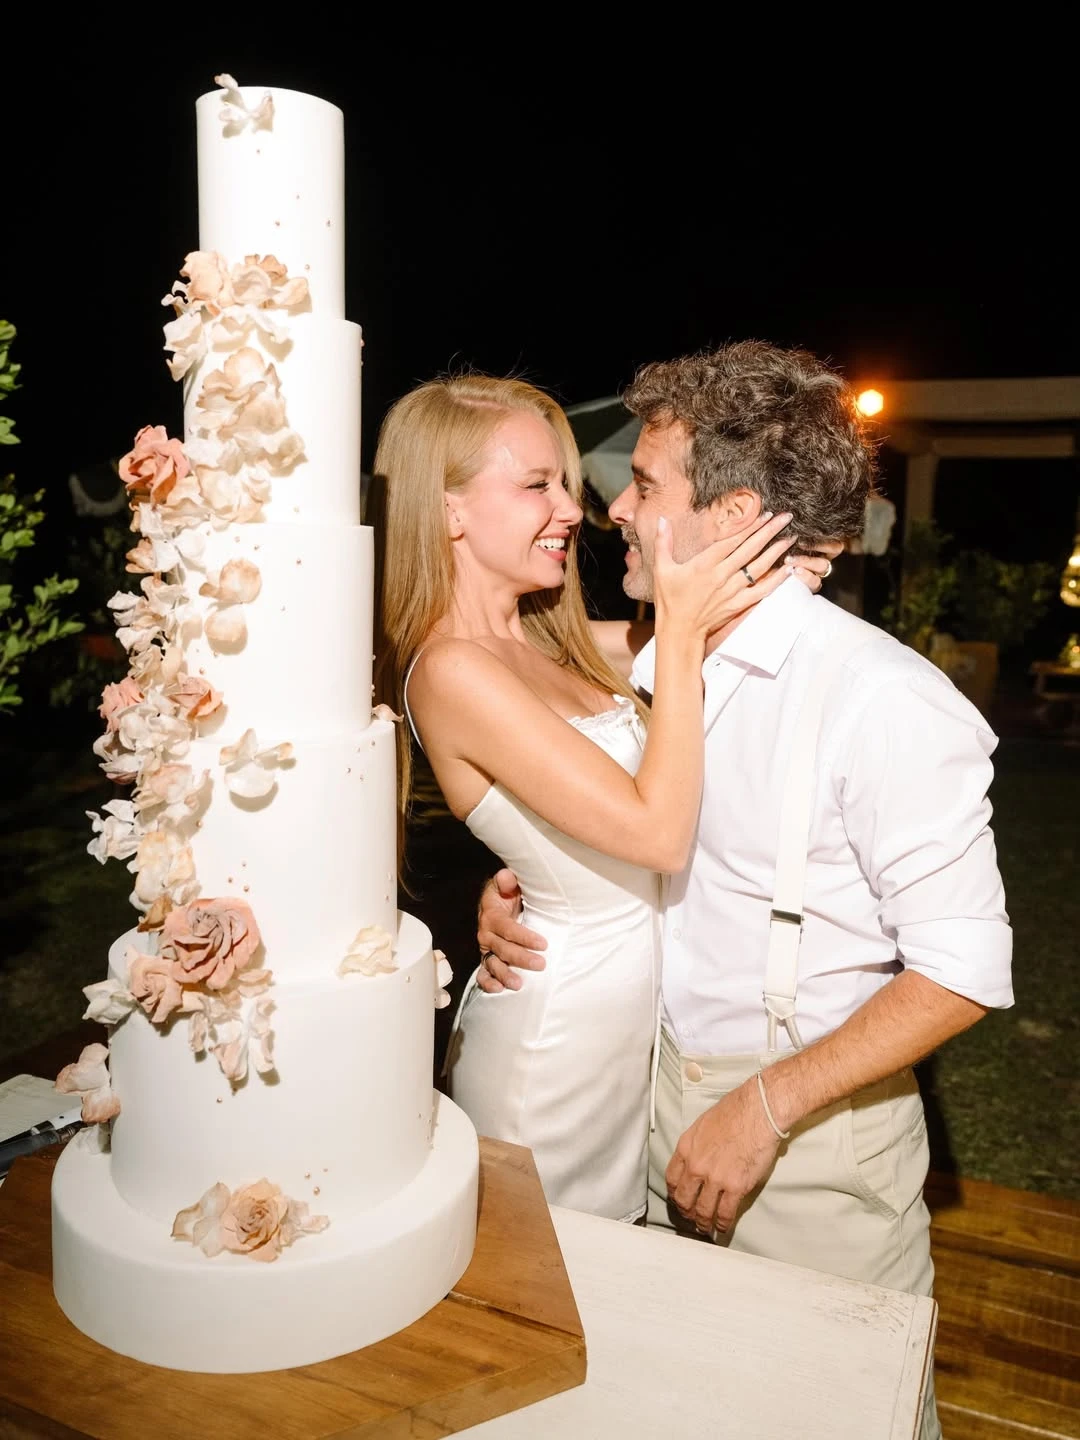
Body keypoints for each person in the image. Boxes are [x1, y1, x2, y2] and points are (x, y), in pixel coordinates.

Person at [476, 340, 1014, 1440]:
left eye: (649, 483)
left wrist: (765, 1108)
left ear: (729, 519)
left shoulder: (883, 703)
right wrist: (531, 885)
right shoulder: (650, 665)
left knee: (837, 1407)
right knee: (678, 1399)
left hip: (807, 1137)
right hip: (643, 1091)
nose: (616, 504)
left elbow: (965, 972)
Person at [373, 371, 833, 1224]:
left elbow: (711, 627)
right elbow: (658, 836)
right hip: (556, 1049)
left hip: (629, 1036)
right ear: (448, 511)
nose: (573, 510)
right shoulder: (451, 670)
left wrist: (775, 559)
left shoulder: (548, 641)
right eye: (537, 485)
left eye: (567, 483)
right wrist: (687, 629)